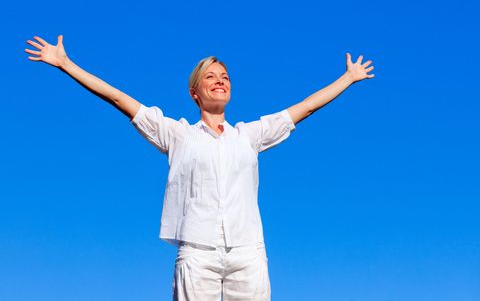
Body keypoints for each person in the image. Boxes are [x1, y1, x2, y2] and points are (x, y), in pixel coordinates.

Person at [24, 35, 375, 300]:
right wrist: (66, 64)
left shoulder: (248, 135)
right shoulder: (177, 134)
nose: (220, 80)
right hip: (197, 252)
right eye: (211, 77)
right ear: (195, 92)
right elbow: (118, 98)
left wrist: (347, 79)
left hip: (248, 252)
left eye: (225, 76)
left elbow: (305, 108)